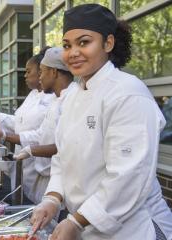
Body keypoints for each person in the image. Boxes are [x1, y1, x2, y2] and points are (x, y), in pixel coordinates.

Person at [30, 4, 172, 240]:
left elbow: (128, 176)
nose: (73, 52)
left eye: (84, 42)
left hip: (136, 229)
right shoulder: (74, 94)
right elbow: (63, 158)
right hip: (90, 226)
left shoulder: (127, 92)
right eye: (67, 45)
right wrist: (52, 199)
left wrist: (76, 221)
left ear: (108, 43)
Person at [10, 47, 76, 204]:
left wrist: (32, 150)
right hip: (46, 175)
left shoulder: (72, 99)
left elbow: (66, 146)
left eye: (42, 71)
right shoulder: (55, 99)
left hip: (61, 181)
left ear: (53, 72)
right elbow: (41, 134)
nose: (40, 78)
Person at [0, 47, 54, 201]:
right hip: (23, 163)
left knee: (39, 208)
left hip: (40, 166)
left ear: (42, 72)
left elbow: (42, 135)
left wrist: (6, 135)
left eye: (28, 71)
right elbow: (19, 122)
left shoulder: (54, 99)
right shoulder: (32, 94)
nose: (24, 75)